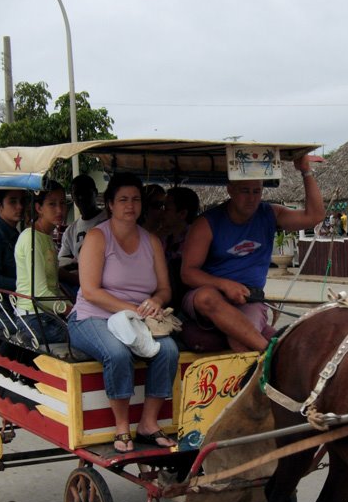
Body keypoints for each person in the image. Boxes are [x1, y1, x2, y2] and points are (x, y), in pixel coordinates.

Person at [67, 173, 179, 453]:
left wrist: (155, 301)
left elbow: (165, 289)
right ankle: (121, 427)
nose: (130, 206)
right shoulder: (97, 237)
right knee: (117, 353)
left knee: (169, 350)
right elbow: (91, 291)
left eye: (136, 200)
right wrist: (135, 309)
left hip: (140, 318)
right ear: (110, 204)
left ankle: (148, 424)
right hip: (93, 316)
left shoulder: (151, 241)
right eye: (123, 200)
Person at [181, 157, 323, 352]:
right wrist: (225, 285)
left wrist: (306, 171)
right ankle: (267, 354)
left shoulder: (270, 214)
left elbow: (314, 216)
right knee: (207, 297)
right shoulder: (206, 223)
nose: (251, 198)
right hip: (208, 295)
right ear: (230, 190)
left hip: (249, 298)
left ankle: (264, 366)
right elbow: (188, 273)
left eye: (256, 191)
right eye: (245, 191)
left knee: (240, 339)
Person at [14, 182, 70, 345]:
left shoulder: (46, 236)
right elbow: (40, 293)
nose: (59, 210)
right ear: (39, 208)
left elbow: (54, 285)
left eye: (62, 203)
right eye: (52, 204)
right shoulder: (32, 238)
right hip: (35, 316)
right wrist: (71, 311)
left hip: (47, 313)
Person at [58, 175, 107, 300]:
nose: (81, 198)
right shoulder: (71, 230)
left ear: (95, 193)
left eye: (85, 193)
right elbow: (64, 259)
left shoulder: (109, 220)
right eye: (76, 194)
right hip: (79, 284)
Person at [157, 186, 199, 307]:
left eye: (167, 209)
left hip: (187, 294)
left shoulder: (196, 239)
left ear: (182, 214)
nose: (161, 213)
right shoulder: (164, 237)